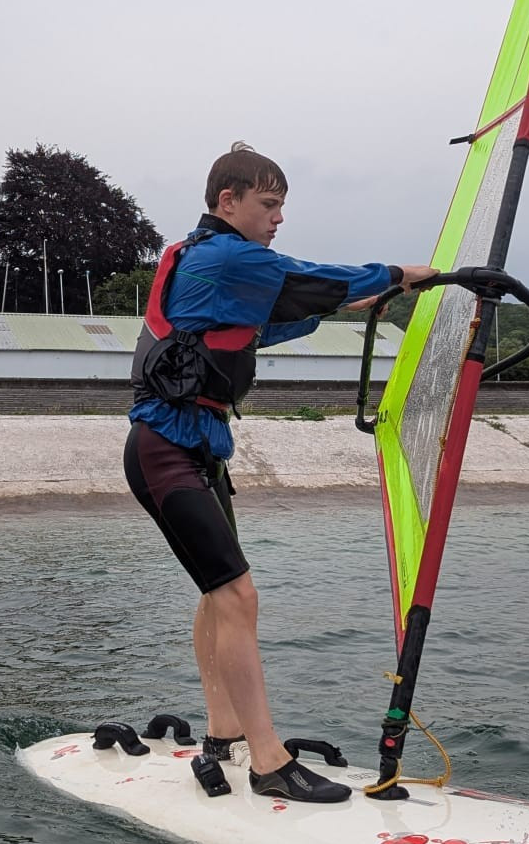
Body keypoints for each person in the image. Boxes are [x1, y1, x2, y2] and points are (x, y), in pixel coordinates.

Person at [124, 142, 437, 803]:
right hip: (164, 450)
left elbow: (255, 330)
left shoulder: (210, 269)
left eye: (281, 206)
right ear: (227, 201)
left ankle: (222, 733)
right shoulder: (224, 255)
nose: (277, 218)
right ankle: (267, 760)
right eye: (268, 204)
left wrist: (336, 308)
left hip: (196, 450)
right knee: (238, 596)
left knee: (219, 594)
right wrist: (396, 274)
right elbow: (299, 279)